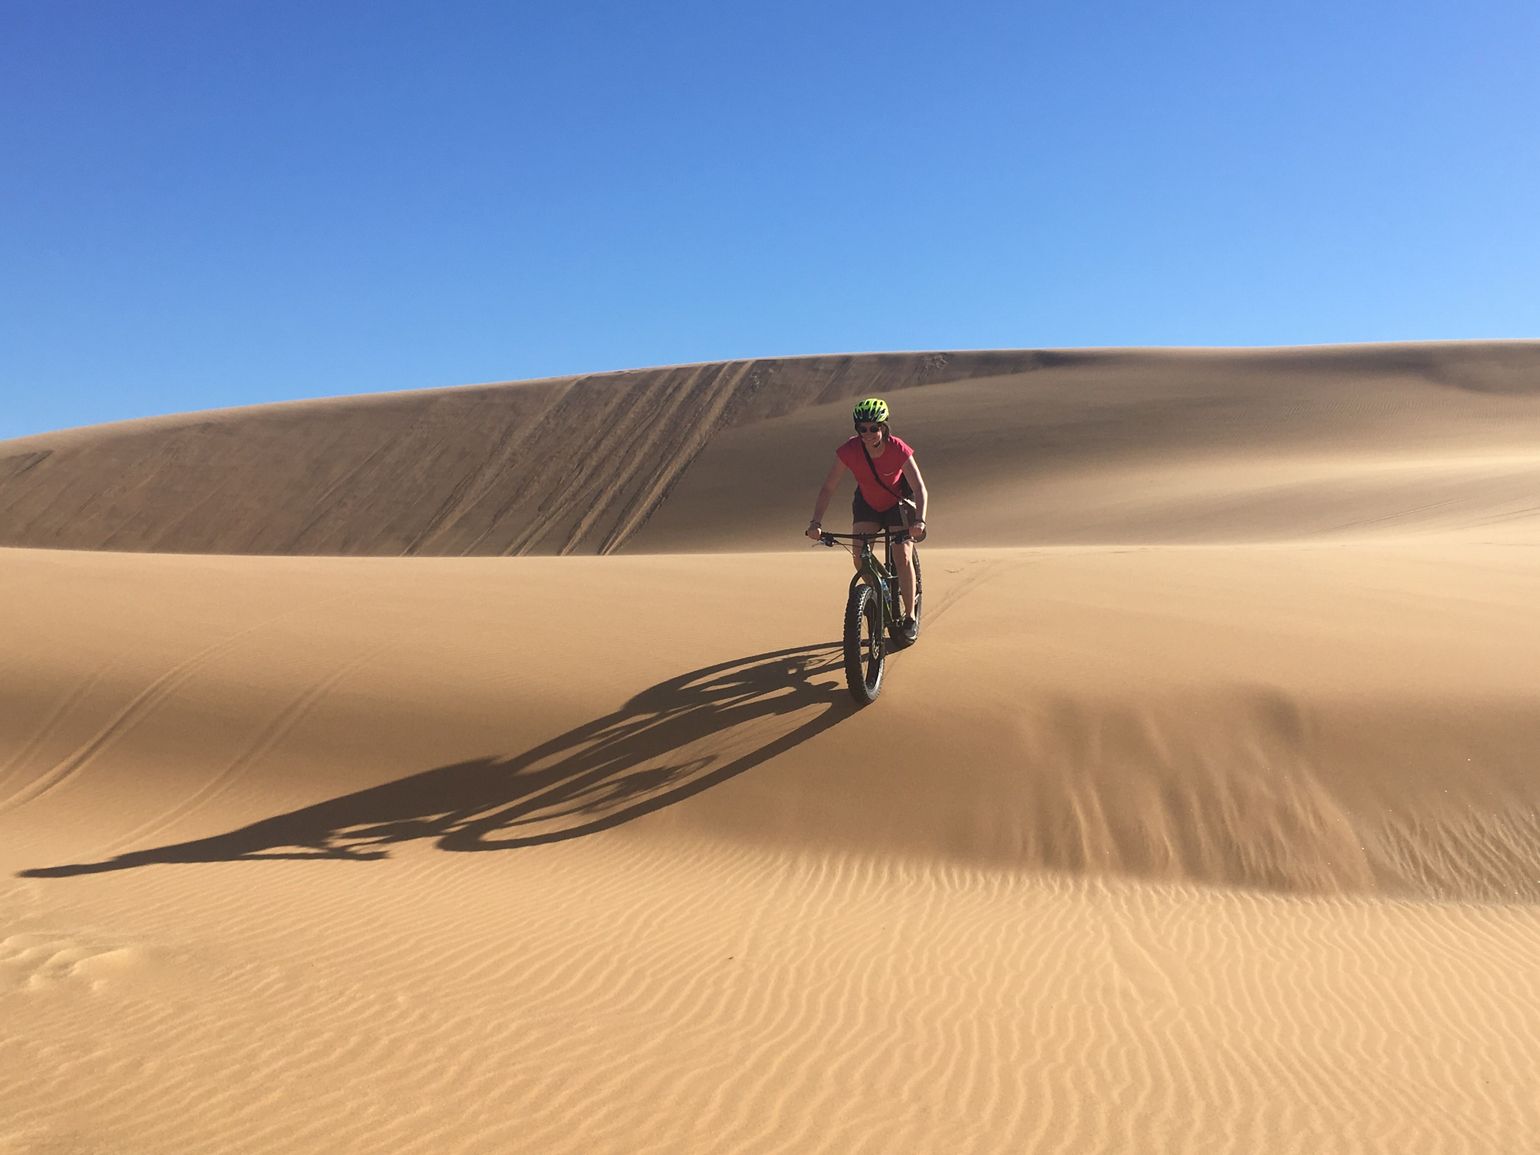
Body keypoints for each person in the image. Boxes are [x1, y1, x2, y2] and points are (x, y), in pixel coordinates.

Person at [805, 397, 929, 641]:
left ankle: (910, 616)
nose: (868, 434)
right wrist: (815, 523)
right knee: (859, 556)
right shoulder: (849, 450)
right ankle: (876, 597)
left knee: (902, 555)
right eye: (863, 428)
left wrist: (920, 521)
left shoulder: (898, 448)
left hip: (896, 503)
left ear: (883, 427)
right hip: (867, 504)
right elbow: (828, 488)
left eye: (874, 428)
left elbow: (919, 487)